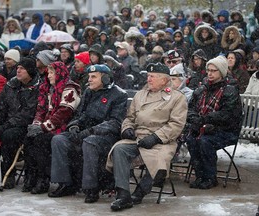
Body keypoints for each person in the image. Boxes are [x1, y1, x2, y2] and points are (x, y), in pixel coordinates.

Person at [106, 62, 188, 211]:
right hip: (138, 137)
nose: (148, 79)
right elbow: (129, 117)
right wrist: (127, 128)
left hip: (163, 141)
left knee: (159, 160)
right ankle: (123, 195)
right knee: (119, 150)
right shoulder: (140, 95)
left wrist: (156, 138)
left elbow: (176, 124)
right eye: (148, 76)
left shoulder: (176, 98)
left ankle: (140, 192)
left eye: (152, 77)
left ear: (164, 80)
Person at [48, 64, 128, 204]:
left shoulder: (119, 95)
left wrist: (92, 130)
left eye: (93, 77)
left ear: (105, 78)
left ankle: (92, 188)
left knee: (89, 142)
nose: (89, 80)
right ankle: (65, 183)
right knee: (59, 139)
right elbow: (80, 114)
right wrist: (75, 125)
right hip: (85, 132)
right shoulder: (89, 92)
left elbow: (115, 123)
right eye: (89, 76)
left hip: (106, 136)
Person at [22, 61, 81, 194]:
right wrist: (36, 125)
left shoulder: (70, 88)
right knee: (29, 138)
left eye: (52, 72)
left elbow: (64, 113)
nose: (48, 76)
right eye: (48, 73)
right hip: (48, 126)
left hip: (64, 127)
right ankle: (32, 175)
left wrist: (43, 127)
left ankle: (43, 179)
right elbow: (41, 109)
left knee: (41, 140)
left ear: (60, 73)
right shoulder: (47, 88)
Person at [186, 55, 242, 190]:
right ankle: (200, 175)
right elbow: (191, 108)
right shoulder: (201, 89)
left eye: (214, 70)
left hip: (226, 130)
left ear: (221, 72)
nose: (210, 73)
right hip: (203, 127)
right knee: (191, 139)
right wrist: (195, 119)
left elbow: (228, 115)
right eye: (208, 70)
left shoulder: (230, 90)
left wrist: (206, 120)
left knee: (205, 142)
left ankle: (210, 177)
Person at [0, 57, 40, 189]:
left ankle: (8, 173)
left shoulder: (37, 87)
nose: (18, 71)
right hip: (9, 122)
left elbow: (28, 114)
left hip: (25, 126)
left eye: (22, 68)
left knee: (8, 135)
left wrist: (5, 126)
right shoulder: (11, 85)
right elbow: (0, 107)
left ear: (30, 71)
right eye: (18, 68)